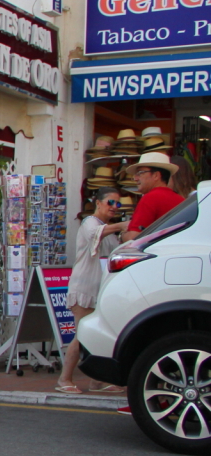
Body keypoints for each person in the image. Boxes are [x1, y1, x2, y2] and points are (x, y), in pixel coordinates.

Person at [56, 187, 127, 394]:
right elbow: (96, 234)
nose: (114, 207)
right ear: (98, 203)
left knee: (96, 336)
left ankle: (97, 380)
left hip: (100, 290)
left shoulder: (108, 228)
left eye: (118, 204)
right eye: (110, 203)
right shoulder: (90, 223)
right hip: (84, 288)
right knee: (81, 336)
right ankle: (64, 379)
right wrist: (121, 226)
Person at [121, 152, 184, 242]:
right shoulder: (181, 200)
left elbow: (134, 238)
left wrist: (123, 235)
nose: (135, 178)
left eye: (140, 173)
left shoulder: (150, 198)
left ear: (156, 175)